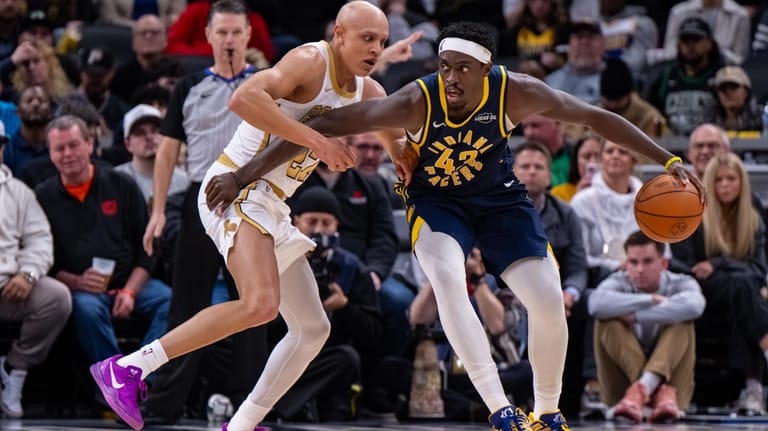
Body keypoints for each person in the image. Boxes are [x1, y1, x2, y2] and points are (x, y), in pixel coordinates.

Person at [204, 20, 703, 431]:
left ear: (488, 69)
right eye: (445, 67)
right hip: (436, 201)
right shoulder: (417, 100)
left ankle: (547, 412)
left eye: (464, 69)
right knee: (446, 277)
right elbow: (324, 124)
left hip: (499, 201)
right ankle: (499, 408)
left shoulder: (517, 93)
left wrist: (667, 159)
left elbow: (597, 118)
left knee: (549, 299)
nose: (452, 79)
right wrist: (241, 175)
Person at [91, 2, 403, 431]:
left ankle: (241, 424)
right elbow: (243, 98)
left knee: (312, 329)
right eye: (367, 38)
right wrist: (319, 141)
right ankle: (127, 368)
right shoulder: (310, 59)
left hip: (273, 203)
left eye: (382, 41)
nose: (376, 48)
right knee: (259, 305)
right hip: (233, 188)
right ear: (340, 35)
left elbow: (400, 145)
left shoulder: (369, 92)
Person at [126, 1, 270, 424]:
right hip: (200, 201)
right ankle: (162, 409)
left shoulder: (265, 85)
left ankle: (249, 411)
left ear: (248, 35)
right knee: (185, 307)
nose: (228, 39)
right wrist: (157, 212)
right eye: (221, 32)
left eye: (236, 32)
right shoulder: (188, 87)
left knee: (254, 308)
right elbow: (168, 151)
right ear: (207, 35)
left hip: (253, 201)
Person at [34, 115, 172, 367]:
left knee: (170, 301)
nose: (68, 154)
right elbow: (40, 258)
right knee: (87, 310)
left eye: (74, 145)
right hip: (81, 291)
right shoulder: (42, 197)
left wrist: (130, 291)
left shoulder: (121, 184)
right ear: (50, 154)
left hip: (131, 283)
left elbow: (150, 246)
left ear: (90, 143)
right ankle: (116, 385)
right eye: (59, 148)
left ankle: (141, 377)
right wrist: (75, 281)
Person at [589, 230, 705, 423]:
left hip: (673, 392)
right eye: (633, 262)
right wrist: (649, 299)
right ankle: (650, 392)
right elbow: (595, 304)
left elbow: (695, 305)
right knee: (607, 321)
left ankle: (641, 390)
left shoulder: (680, 282)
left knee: (683, 322)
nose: (639, 269)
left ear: (664, 263)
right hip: (623, 393)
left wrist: (636, 316)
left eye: (648, 261)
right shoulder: (618, 281)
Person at [0, 121, 72, 418]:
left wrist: (27, 274)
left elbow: (40, 238)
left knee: (57, 298)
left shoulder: (18, 192)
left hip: (9, 286)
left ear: (3, 148)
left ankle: (13, 368)